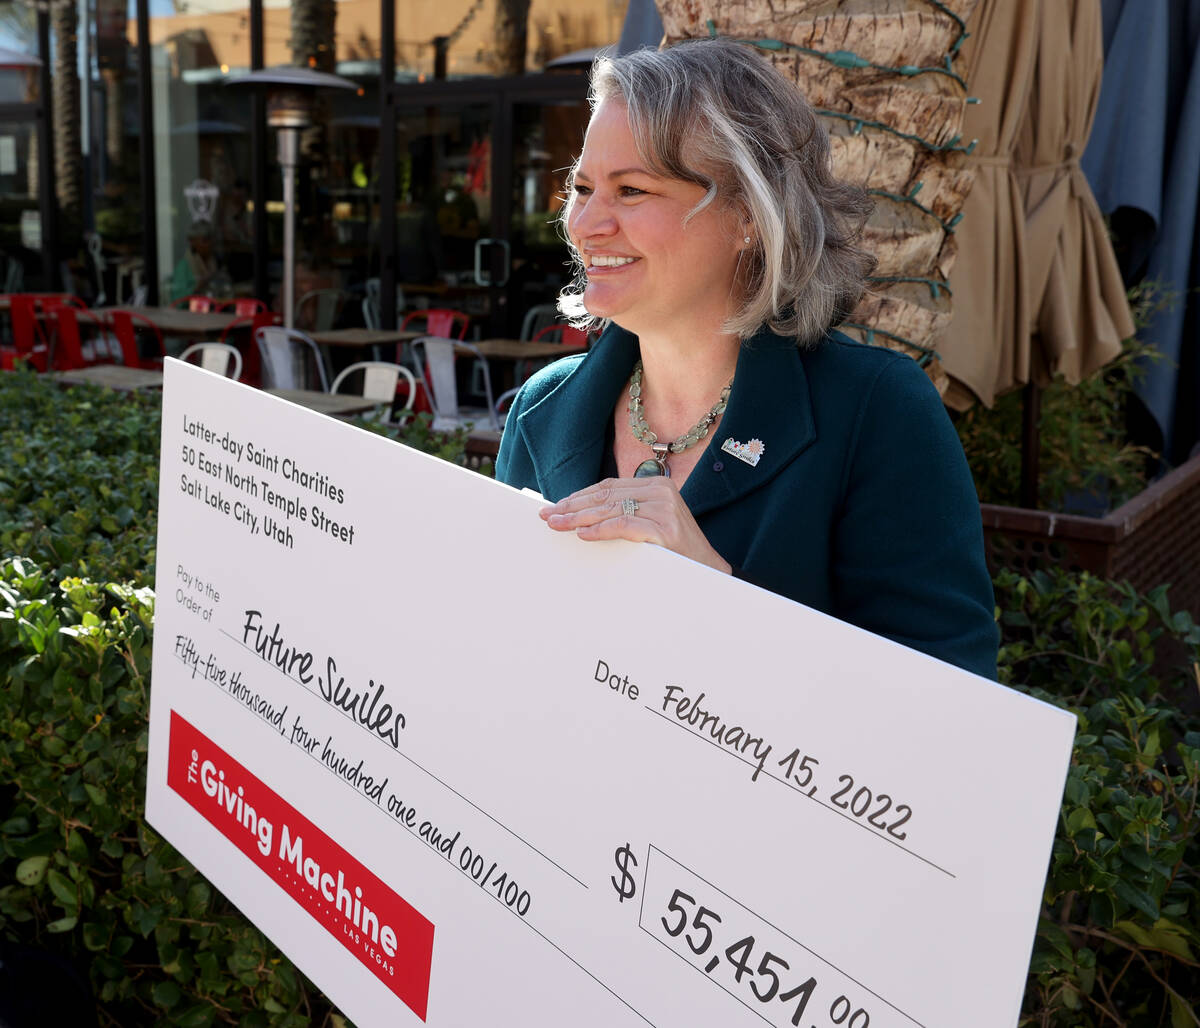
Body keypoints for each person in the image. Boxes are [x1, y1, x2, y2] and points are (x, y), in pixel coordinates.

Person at [495, 38, 999, 680]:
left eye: (632, 190)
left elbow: (948, 705)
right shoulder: (542, 408)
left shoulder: (877, 411)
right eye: (584, 187)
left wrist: (716, 596)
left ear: (749, 216)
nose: (586, 222)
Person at [170, 222, 221, 301]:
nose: (209, 244)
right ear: (192, 242)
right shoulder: (184, 267)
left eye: (211, 239)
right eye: (205, 240)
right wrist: (198, 287)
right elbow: (177, 302)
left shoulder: (213, 262)